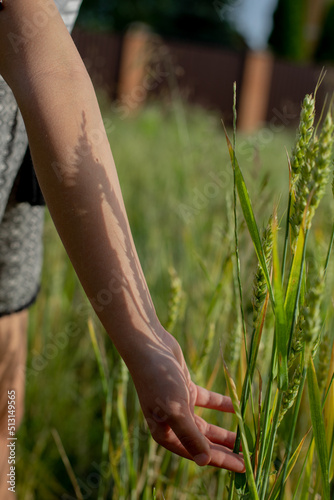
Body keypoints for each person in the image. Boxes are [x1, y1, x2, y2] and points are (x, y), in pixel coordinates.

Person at [0, 0, 245, 497]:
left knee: (4, 409)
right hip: (34, 96)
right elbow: (44, 59)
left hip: (21, 138)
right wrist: (146, 339)